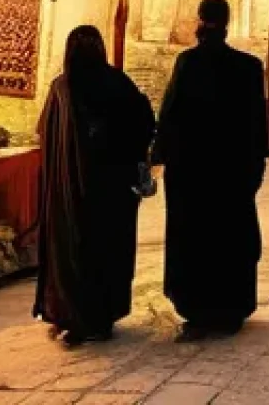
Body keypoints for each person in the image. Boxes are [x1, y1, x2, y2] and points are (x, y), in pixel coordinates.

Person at [154, 0, 269, 338]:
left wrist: (159, 156)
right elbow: (257, 122)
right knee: (231, 236)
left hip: (193, 173)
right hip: (232, 171)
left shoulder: (188, 63)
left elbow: (171, 115)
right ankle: (231, 307)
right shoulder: (248, 67)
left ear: (200, 21)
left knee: (195, 240)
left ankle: (198, 310)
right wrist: (256, 164)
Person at [34, 26, 155, 345]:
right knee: (108, 250)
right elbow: (143, 124)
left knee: (70, 251)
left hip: (68, 194)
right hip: (111, 192)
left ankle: (69, 314)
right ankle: (100, 317)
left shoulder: (61, 88)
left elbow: (44, 134)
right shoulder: (117, 84)